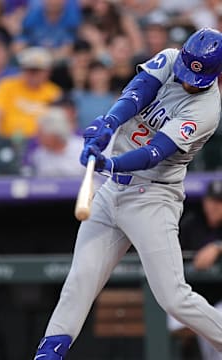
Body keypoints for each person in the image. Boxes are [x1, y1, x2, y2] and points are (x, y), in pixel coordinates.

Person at [33, 27, 222, 359]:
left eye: (199, 77)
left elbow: (155, 152)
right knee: (81, 280)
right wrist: (107, 124)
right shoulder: (170, 58)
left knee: (174, 297)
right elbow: (138, 92)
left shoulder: (207, 110)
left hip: (153, 197)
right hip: (111, 194)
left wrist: (109, 163)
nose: (190, 81)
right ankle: (48, 354)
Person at [168, 179, 222, 360]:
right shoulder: (191, 223)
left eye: (220, 202)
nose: (214, 207)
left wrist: (218, 247)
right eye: (212, 201)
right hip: (189, 298)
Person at [0, 46, 61, 140]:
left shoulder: (54, 93)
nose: (32, 74)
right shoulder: (7, 86)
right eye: (28, 69)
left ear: (47, 72)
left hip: (40, 144)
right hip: (8, 140)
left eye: (37, 70)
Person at [23, 107, 84, 177]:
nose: (37, 137)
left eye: (41, 134)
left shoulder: (82, 149)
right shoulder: (39, 155)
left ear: (55, 134)